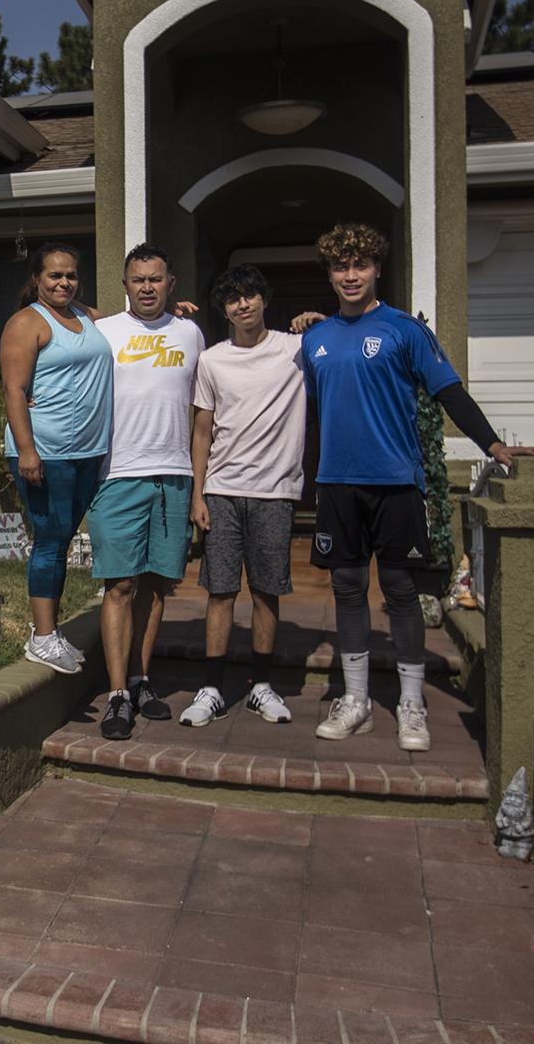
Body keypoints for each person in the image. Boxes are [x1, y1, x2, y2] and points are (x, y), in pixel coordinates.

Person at [300, 223, 534, 750]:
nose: (350, 275)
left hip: (395, 483)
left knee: (400, 591)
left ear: (376, 270)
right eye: (340, 267)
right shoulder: (315, 339)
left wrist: (494, 445)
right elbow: (303, 414)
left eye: (359, 266)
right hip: (337, 484)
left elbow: (449, 391)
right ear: (330, 273)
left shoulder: (404, 331)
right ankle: (357, 701)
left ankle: (411, 705)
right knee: (346, 590)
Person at [85, 245, 206, 739]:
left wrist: (201, 480)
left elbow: (204, 411)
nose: (148, 287)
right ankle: (116, 694)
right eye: (138, 280)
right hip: (116, 475)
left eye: (156, 279)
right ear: (125, 284)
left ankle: (140, 680)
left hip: (174, 473)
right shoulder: (102, 332)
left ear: (171, 282)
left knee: (156, 585)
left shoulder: (191, 333)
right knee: (120, 586)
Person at [180, 263, 305, 729]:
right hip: (223, 491)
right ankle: (211, 688)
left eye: (251, 295)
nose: (243, 304)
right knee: (221, 590)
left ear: (265, 299)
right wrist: (198, 494)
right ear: (225, 309)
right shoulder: (212, 360)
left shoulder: (297, 350)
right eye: (233, 299)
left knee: (268, 591)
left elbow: (346, 337)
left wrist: (318, 320)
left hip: (276, 491)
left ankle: (260, 687)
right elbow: (202, 431)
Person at [0, 242, 111, 675]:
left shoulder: (85, 316)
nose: (63, 282)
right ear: (36, 280)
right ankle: (42, 636)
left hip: (88, 450)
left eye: (70, 275)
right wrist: (27, 451)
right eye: (54, 276)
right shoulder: (27, 323)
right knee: (50, 540)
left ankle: (52, 631)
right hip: (45, 452)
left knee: (64, 539)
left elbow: (133, 322)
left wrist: (170, 312)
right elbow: (13, 390)